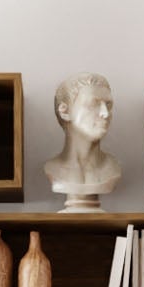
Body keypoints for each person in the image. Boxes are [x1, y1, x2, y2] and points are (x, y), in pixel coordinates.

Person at [43, 71, 121, 212]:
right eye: (93, 104)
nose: (105, 113)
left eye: (108, 105)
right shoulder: (52, 168)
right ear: (65, 112)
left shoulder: (113, 168)